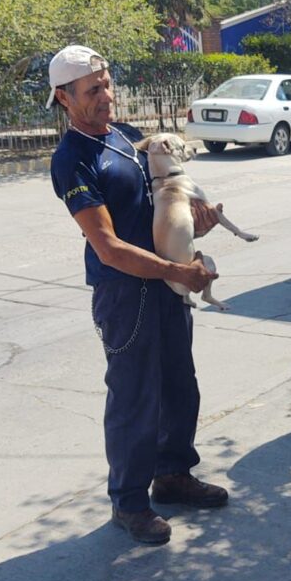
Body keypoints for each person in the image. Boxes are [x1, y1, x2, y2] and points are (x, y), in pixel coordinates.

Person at [47, 45, 228, 546]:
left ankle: (172, 474)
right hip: (125, 294)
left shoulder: (128, 140)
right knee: (134, 398)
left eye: (106, 84)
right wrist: (176, 270)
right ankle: (128, 502)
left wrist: (198, 227)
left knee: (179, 385)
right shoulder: (73, 159)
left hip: (168, 284)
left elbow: (163, 216)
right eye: (92, 90)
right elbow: (107, 247)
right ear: (64, 99)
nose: (105, 96)